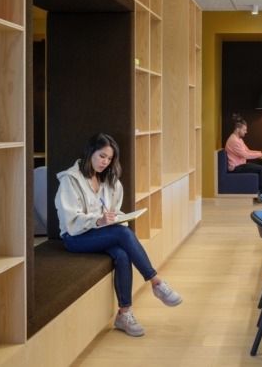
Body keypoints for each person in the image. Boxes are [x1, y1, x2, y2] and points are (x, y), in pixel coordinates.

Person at [55, 132, 182, 337]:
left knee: (122, 255)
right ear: (90, 153)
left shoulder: (109, 182)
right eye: (101, 156)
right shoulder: (70, 180)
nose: (105, 162)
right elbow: (71, 222)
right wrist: (98, 220)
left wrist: (116, 217)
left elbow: (113, 211)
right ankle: (156, 281)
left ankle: (125, 313)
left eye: (109, 158)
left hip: (100, 234)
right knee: (123, 234)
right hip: (75, 238)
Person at [224, 114, 262, 194]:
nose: (246, 132)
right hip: (236, 168)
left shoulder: (238, 139)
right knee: (261, 169)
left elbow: (248, 151)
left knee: (260, 168)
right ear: (237, 129)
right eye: (244, 130)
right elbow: (246, 155)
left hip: (241, 165)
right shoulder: (234, 141)